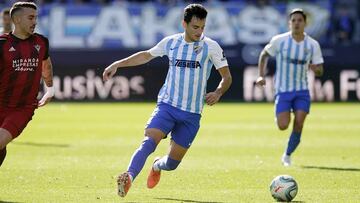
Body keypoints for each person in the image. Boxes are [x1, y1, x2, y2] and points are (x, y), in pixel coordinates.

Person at [103, 3, 232, 197]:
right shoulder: (171, 43)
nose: (199, 31)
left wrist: (218, 92)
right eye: (195, 27)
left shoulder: (211, 47)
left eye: (203, 27)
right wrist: (118, 64)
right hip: (167, 106)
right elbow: (146, 55)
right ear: (184, 24)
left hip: (192, 113)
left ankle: (157, 166)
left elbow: (227, 77)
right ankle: (128, 176)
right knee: (148, 142)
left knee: (171, 164)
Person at [256, 8, 324, 166]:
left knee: (299, 122)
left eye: (300, 20)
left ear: (305, 23)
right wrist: (261, 75)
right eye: (293, 20)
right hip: (283, 90)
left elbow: (320, 69)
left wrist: (317, 69)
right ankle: (281, 113)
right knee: (282, 125)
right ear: (289, 23)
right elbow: (264, 54)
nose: (296, 23)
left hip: (302, 90)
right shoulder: (280, 40)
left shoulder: (313, 45)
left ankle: (287, 154)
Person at [0, 2, 54, 167]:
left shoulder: (41, 42)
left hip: (22, 108)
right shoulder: (2, 44)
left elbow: (47, 65)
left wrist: (50, 90)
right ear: (16, 19)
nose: (35, 21)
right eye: (30, 17)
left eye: (36, 17)